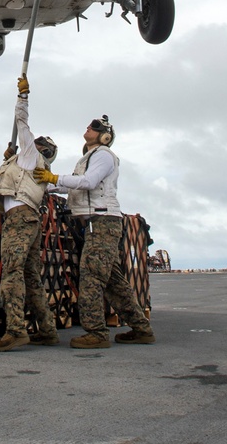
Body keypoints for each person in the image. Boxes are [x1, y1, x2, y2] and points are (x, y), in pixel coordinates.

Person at [34, 114, 154, 349]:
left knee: (91, 276)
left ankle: (96, 333)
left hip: (103, 222)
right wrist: (42, 185)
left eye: (95, 127)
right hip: (96, 224)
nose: (89, 128)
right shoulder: (87, 159)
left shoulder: (104, 156)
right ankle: (142, 329)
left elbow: (88, 182)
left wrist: (54, 177)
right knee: (113, 282)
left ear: (106, 136)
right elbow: (73, 185)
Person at [0, 76, 60, 352]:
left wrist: (23, 96)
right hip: (30, 220)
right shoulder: (32, 166)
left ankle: (15, 330)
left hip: (19, 219)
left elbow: (21, 123)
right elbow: (8, 180)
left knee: (12, 273)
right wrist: (7, 159)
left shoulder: (31, 155)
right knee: (30, 276)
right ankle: (48, 330)